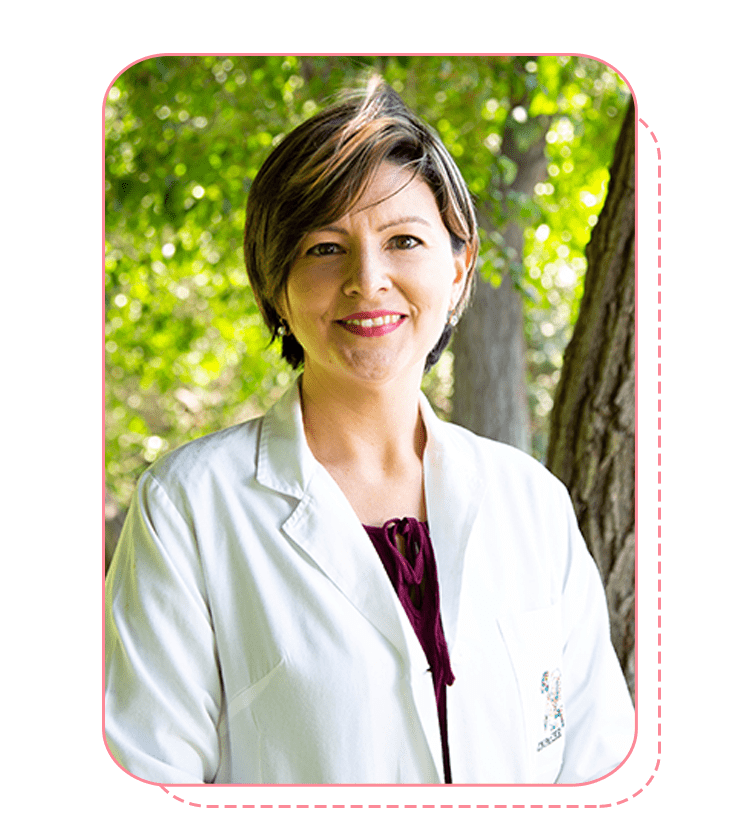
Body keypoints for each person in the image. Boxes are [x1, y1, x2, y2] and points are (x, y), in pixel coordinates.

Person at [105, 76, 635, 786]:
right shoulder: (188, 508)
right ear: (275, 288)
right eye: (325, 248)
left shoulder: (531, 502)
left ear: (458, 269)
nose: (368, 278)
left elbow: (597, 771)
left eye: (404, 240)